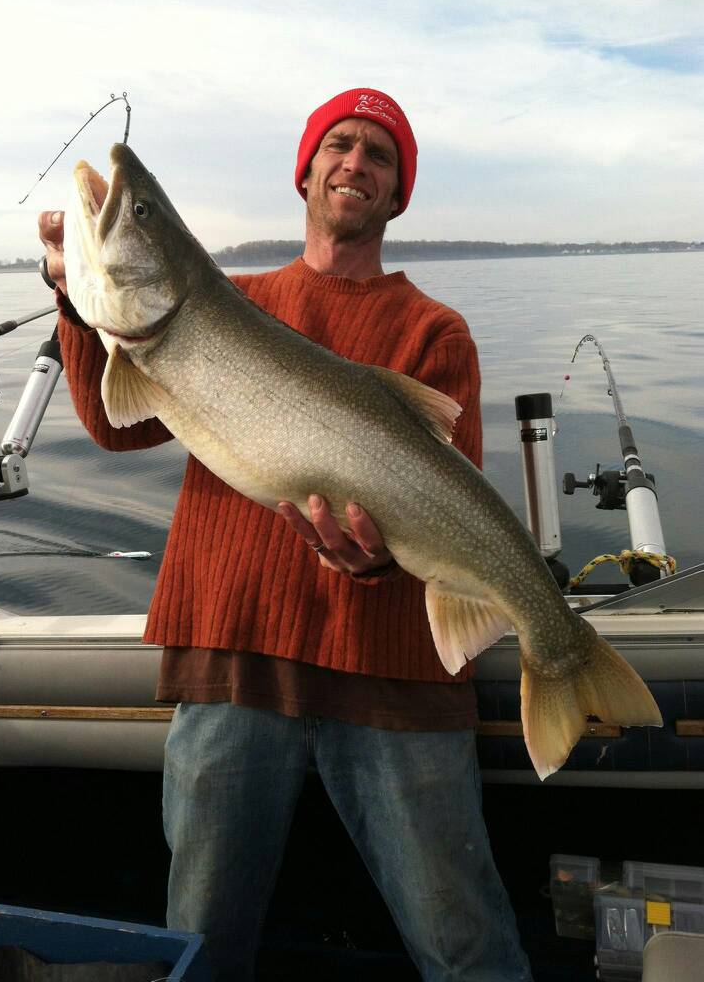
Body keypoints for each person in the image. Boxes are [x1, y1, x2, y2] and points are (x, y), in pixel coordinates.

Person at [39, 87, 532, 982]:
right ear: (304, 172)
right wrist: (77, 303)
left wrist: (379, 561)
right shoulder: (227, 302)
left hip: (390, 671)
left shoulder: (435, 331)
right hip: (234, 654)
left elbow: (446, 508)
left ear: (397, 194)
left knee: (464, 944)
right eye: (338, 145)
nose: (355, 164)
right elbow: (116, 425)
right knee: (202, 940)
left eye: (378, 155)